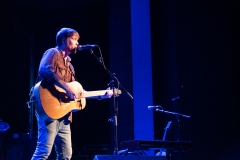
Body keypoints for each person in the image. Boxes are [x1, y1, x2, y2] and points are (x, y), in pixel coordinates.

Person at [31, 28, 113, 160]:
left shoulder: (70, 66)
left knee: (66, 155)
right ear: (64, 40)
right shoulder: (53, 52)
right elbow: (45, 70)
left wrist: (101, 95)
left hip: (64, 115)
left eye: (77, 40)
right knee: (43, 152)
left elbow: (76, 94)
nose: (77, 42)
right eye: (74, 39)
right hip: (48, 108)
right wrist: (66, 88)